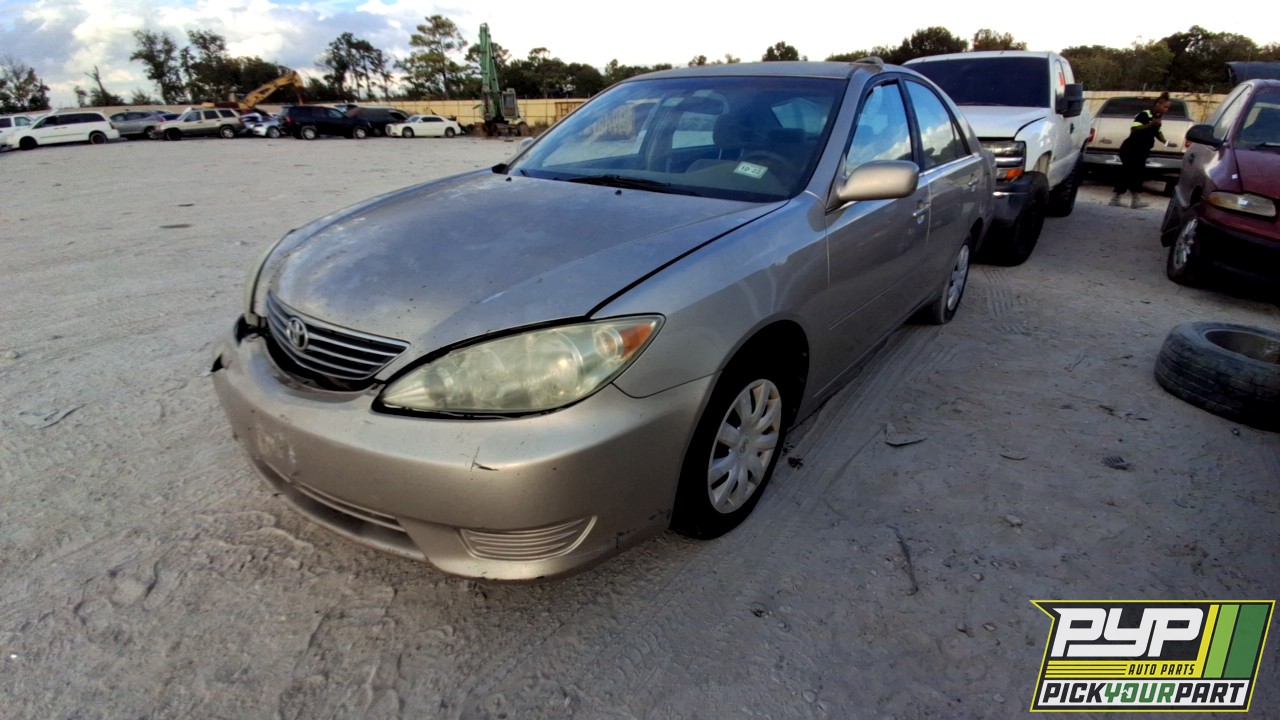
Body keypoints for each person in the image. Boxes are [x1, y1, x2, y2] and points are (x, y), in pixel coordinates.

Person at [1110, 93, 1176, 209]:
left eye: (1168, 108)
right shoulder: (1144, 114)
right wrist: (1151, 124)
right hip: (1131, 149)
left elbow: (1158, 132)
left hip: (1142, 150)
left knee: (1135, 174)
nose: (1166, 110)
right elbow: (1134, 129)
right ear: (1158, 104)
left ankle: (1128, 200)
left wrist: (1166, 142)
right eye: (1165, 107)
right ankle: (1122, 200)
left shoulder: (1158, 117)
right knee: (1130, 173)